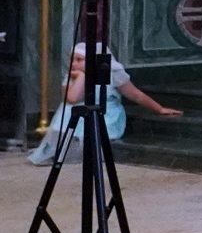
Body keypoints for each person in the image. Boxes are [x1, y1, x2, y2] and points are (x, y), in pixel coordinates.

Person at [26, 46, 179, 165]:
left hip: (105, 113)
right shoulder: (72, 76)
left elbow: (136, 94)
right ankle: (63, 149)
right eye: (72, 59)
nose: (74, 64)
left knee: (91, 128)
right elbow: (72, 98)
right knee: (68, 110)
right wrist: (82, 77)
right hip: (78, 113)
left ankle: (87, 148)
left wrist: (159, 109)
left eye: (80, 60)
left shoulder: (112, 73)